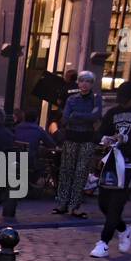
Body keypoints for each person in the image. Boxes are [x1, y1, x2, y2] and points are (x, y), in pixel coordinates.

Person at [91, 80, 131, 257]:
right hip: (112, 160)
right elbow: (100, 132)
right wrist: (106, 138)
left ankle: (103, 242)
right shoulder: (113, 112)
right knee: (104, 203)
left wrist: (127, 139)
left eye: (124, 98)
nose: (122, 101)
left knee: (116, 203)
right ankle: (124, 229)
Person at [53, 69, 102, 217]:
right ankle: (62, 204)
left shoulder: (95, 98)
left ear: (92, 83)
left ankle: (74, 205)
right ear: (78, 82)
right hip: (71, 137)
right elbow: (66, 118)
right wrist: (84, 117)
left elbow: (96, 115)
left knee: (81, 172)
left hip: (87, 138)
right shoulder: (72, 99)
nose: (84, 84)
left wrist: (77, 115)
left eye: (88, 81)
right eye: (82, 81)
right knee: (66, 170)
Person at [12, 108, 56, 185]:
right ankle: (33, 183)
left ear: (24, 117)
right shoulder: (38, 130)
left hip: (14, 158)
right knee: (44, 164)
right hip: (30, 162)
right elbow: (51, 144)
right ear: (36, 119)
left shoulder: (16, 128)